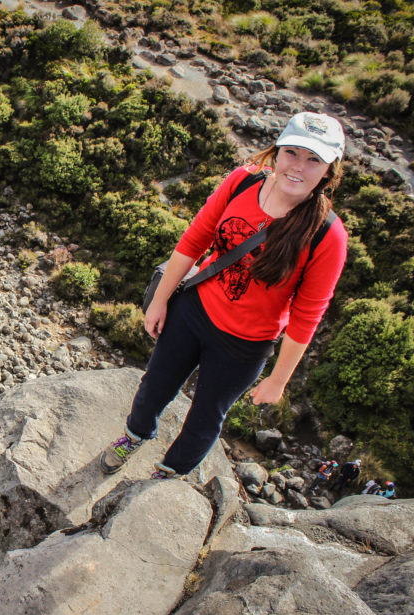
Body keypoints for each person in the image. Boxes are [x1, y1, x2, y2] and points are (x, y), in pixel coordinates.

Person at [101, 112, 348, 480]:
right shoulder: (242, 182)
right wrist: (160, 299)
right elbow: (194, 239)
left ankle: (169, 472)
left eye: (314, 160)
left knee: (205, 416)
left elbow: (306, 316)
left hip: (244, 344)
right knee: (154, 385)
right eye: (292, 153)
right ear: (277, 153)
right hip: (194, 310)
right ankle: (135, 436)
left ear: (328, 171)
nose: (299, 167)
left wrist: (278, 380)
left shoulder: (327, 234)